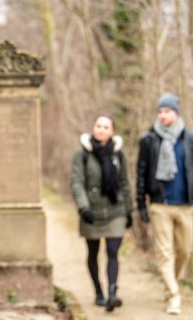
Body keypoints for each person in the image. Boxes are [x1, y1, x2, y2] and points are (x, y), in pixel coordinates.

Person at [136, 92, 193, 315]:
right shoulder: (148, 140)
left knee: (183, 252)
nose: (162, 115)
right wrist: (141, 203)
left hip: (186, 206)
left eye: (167, 111)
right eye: (159, 111)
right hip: (160, 206)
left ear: (176, 113)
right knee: (165, 253)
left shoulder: (191, 139)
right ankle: (174, 296)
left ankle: (170, 285)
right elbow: (141, 173)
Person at [71, 115, 132, 312]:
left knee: (113, 252)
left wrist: (128, 211)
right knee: (93, 253)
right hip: (92, 212)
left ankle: (112, 293)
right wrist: (84, 208)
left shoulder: (118, 155)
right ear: (93, 128)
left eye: (106, 127)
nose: (101, 130)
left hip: (115, 211)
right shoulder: (82, 155)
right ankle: (98, 291)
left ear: (112, 131)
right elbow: (77, 182)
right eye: (98, 126)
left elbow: (124, 183)